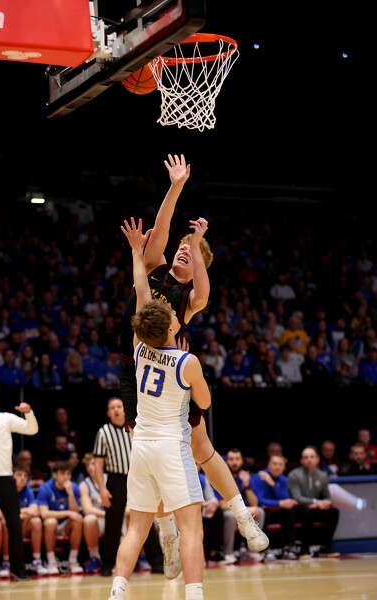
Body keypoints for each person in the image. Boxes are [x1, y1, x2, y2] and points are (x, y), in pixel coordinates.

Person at [118, 157, 268, 562]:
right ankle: (167, 534)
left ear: (201, 261)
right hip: (132, 368)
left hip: (169, 370)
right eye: (182, 248)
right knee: (148, 453)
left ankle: (243, 516)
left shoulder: (191, 298)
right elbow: (163, 228)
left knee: (201, 448)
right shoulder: (153, 268)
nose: (184, 250)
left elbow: (203, 287)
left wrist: (199, 243)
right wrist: (176, 186)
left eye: (192, 251)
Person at [109, 217, 211, 600]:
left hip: (141, 447)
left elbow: (141, 289)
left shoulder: (137, 349)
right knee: (192, 528)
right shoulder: (187, 361)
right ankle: (195, 595)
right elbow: (204, 403)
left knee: (136, 528)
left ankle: (117, 591)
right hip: (171, 446)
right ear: (171, 328)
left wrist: (138, 253)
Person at [93, 396, 163, 576]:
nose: (116, 409)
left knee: (145, 518)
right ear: (108, 413)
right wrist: (102, 489)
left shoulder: (135, 427)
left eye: (119, 406)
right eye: (113, 407)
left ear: (124, 410)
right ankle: (108, 564)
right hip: (116, 479)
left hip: (139, 477)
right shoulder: (103, 432)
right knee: (113, 523)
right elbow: (98, 463)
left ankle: (156, 562)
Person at [0, 386, 38, 580]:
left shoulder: (6, 418)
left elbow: (32, 429)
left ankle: (18, 569)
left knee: (14, 525)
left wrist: (28, 412)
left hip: (5, 477)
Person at [213, 448, 265, 564]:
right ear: (226, 461)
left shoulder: (246, 477)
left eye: (237, 459)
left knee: (260, 512)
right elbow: (222, 505)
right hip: (230, 512)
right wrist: (245, 509)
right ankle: (228, 552)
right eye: (231, 459)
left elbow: (254, 503)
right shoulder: (221, 477)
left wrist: (247, 485)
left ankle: (252, 551)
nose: (234, 462)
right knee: (230, 515)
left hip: (245, 512)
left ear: (242, 461)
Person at [287, 446, 340, 558]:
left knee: (334, 512)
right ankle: (305, 549)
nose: (309, 460)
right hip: (299, 509)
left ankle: (325, 548)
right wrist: (315, 501)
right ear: (301, 460)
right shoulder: (294, 475)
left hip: (316, 509)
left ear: (317, 459)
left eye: (312, 457)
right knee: (306, 513)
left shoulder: (322, 476)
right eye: (306, 457)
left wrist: (326, 503)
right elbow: (296, 497)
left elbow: (328, 497)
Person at [36, 460, 84, 575]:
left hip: (66, 525)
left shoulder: (74, 487)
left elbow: (75, 512)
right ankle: (51, 561)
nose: (66, 477)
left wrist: (70, 494)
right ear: (55, 475)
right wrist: (67, 513)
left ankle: (73, 561)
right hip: (50, 525)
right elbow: (44, 514)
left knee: (78, 520)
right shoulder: (45, 487)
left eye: (68, 474)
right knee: (50, 522)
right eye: (62, 473)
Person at [0, 464, 48, 577]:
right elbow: (2, 516)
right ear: (12, 476)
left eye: (25, 476)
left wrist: (15, 513)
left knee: (36, 521)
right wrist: (25, 512)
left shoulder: (27, 490)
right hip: (9, 528)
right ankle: (6, 563)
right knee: (6, 523)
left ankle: (37, 561)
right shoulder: (5, 490)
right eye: (19, 475)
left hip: (23, 527)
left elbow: (35, 511)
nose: (23, 478)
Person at [252, 455, 299, 561]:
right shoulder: (260, 477)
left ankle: (288, 547)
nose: (277, 467)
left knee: (289, 511)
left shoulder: (283, 479)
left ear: (284, 467)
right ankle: (264, 549)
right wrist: (279, 504)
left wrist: (272, 484)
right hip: (262, 513)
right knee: (264, 511)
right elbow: (259, 501)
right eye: (274, 464)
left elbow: (285, 500)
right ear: (269, 465)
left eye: (280, 464)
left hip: (276, 512)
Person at [79, 453, 107, 574]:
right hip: (100, 520)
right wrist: (108, 515)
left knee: (129, 515)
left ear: (101, 464)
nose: (90, 468)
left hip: (114, 520)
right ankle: (94, 557)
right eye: (87, 465)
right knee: (89, 519)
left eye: (93, 464)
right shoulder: (84, 485)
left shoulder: (111, 479)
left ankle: (139, 557)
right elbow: (87, 510)